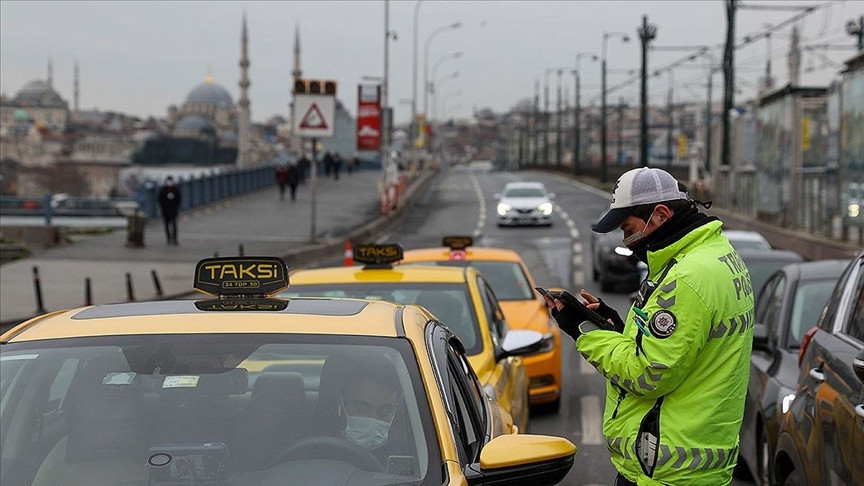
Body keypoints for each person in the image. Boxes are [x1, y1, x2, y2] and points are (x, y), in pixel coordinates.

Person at [542, 167, 754, 486]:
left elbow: (648, 375)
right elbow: (685, 349)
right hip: (698, 461)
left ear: (661, 214)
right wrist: (618, 329)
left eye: (629, 229)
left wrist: (585, 331)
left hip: (667, 469)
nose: (627, 242)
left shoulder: (686, 279)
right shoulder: (718, 256)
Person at [157, 176, 181, 245]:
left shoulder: (175, 190)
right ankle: (168, 239)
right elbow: (160, 199)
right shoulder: (163, 190)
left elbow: (178, 199)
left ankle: (175, 239)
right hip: (165, 211)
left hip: (173, 210)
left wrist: (176, 206)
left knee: (174, 225)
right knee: (166, 225)